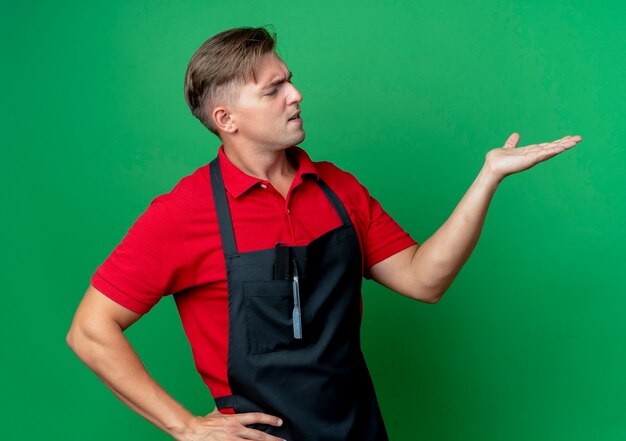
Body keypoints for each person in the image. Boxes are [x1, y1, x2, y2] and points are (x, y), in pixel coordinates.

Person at [66, 26, 582, 441]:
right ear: (227, 119)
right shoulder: (185, 212)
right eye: (274, 89)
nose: (296, 94)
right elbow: (90, 329)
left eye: (288, 79)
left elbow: (425, 280)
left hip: (358, 429)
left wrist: (487, 177)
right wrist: (187, 427)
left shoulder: (337, 188)